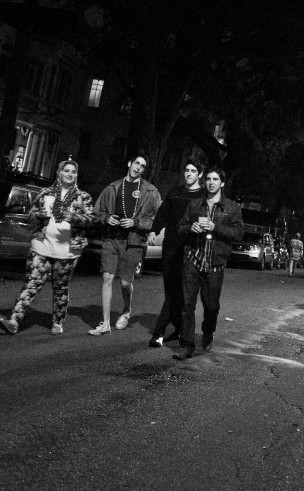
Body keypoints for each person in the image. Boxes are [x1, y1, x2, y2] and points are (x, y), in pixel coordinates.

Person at [0, 159, 95, 335]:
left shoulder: (83, 196)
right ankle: (14, 320)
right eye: (66, 171)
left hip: (68, 251)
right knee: (32, 282)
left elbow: (90, 220)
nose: (70, 174)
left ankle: (58, 321)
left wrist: (73, 217)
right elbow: (31, 215)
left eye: (73, 172)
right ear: (59, 173)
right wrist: (39, 215)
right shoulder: (46, 193)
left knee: (60, 287)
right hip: (42, 245)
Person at [173, 167, 243, 360]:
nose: (211, 182)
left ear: (222, 183)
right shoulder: (195, 205)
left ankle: (208, 330)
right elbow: (179, 228)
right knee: (187, 304)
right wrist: (190, 227)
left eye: (215, 179)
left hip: (215, 264)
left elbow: (238, 234)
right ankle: (186, 345)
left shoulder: (231, 208)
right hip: (193, 260)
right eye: (209, 179)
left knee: (211, 306)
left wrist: (216, 227)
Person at [88, 153, 161, 336]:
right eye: (136, 163)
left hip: (134, 241)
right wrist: (107, 218)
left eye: (142, 166)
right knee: (107, 278)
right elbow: (96, 212)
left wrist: (136, 223)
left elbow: (158, 218)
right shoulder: (113, 187)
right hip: (112, 238)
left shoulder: (150, 191)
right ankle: (105, 324)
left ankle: (126, 310)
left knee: (125, 282)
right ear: (129, 163)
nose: (138, 167)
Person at [147, 159, 204, 348]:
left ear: (200, 175)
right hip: (171, 246)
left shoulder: (203, 196)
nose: (188, 174)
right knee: (171, 290)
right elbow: (163, 213)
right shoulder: (175, 192)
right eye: (186, 170)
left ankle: (159, 332)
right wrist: (154, 230)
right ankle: (179, 328)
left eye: (193, 171)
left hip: (190, 248)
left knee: (179, 292)